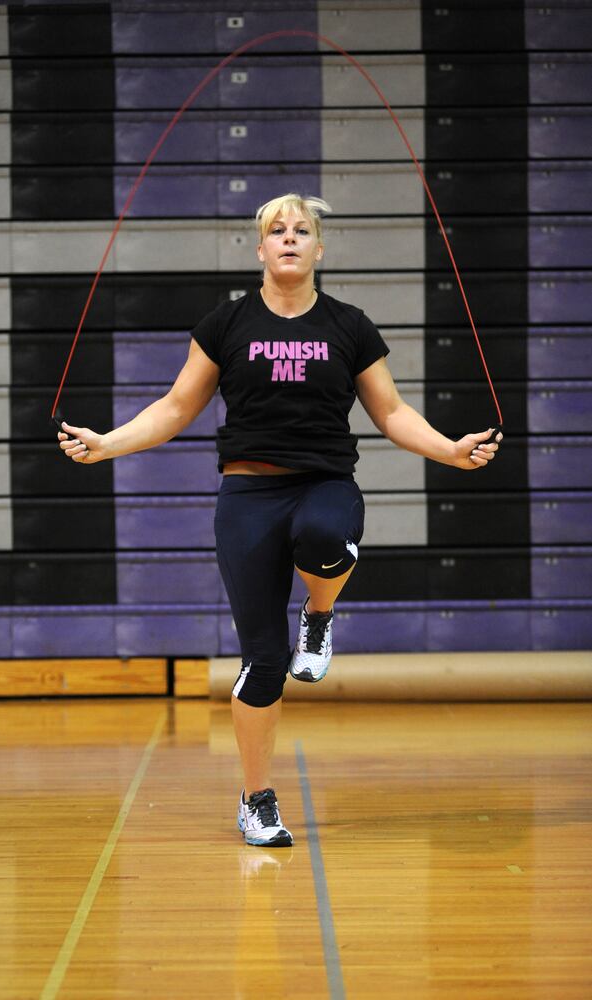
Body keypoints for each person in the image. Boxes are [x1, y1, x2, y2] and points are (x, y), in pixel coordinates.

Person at [57, 193, 502, 848]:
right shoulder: (225, 324)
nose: (288, 238)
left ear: (318, 249)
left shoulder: (349, 325)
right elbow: (177, 406)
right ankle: (256, 799)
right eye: (276, 230)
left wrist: (449, 450)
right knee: (263, 661)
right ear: (259, 248)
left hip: (323, 485)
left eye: (301, 230)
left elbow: (391, 414)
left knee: (325, 536)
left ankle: (318, 616)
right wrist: (108, 442)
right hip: (247, 497)